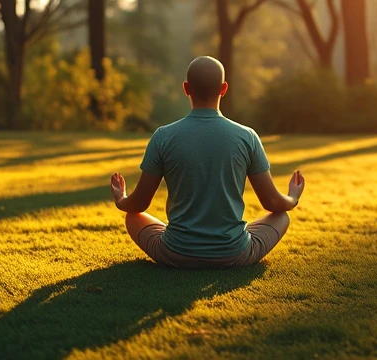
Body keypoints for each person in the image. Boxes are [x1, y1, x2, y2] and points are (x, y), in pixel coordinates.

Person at [109, 56, 305, 268]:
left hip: (176, 254)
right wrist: (293, 196)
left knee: (133, 217)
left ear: (186, 88)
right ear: (224, 88)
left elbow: (139, 204)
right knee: (282, 217)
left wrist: (121, 199)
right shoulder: (247, 137)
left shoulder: (163, 136)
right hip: (233, 255)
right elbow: (273, 204)